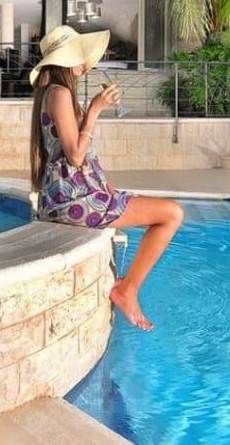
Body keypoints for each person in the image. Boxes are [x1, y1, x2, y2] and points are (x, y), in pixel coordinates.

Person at [28, 25, 183, 331]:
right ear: (65, 61)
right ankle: (127, 290)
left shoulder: (56, 93)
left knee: (162, 210)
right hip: (72, 200)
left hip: (73, 195)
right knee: (172, 214)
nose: (84, 63)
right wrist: (95, 110)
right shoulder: (59, 93)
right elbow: (75, 155)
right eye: (78, 57)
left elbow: (81, 159)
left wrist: (107, 187)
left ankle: (128, 288)